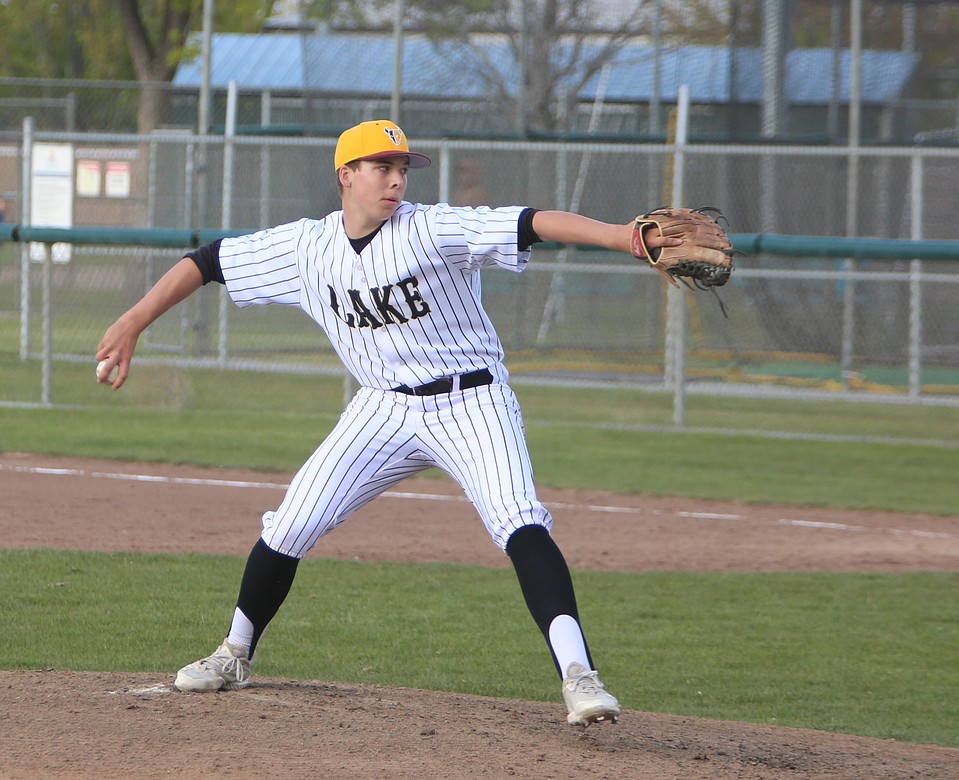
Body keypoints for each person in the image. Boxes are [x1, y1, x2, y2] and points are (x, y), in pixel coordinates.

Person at [95, 119, 681, 727]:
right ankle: (234, 654)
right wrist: (135, 320)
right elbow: (209, 261)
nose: (397, 179)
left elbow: (528, 221)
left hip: (470, 401)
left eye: (403, 169)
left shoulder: (433, 229)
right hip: (381, 407)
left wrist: (623, 238)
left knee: (519, 522)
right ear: (345, 176)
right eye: (382, 167)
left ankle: (579, 677)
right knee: (292, 522)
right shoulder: (305, 248)